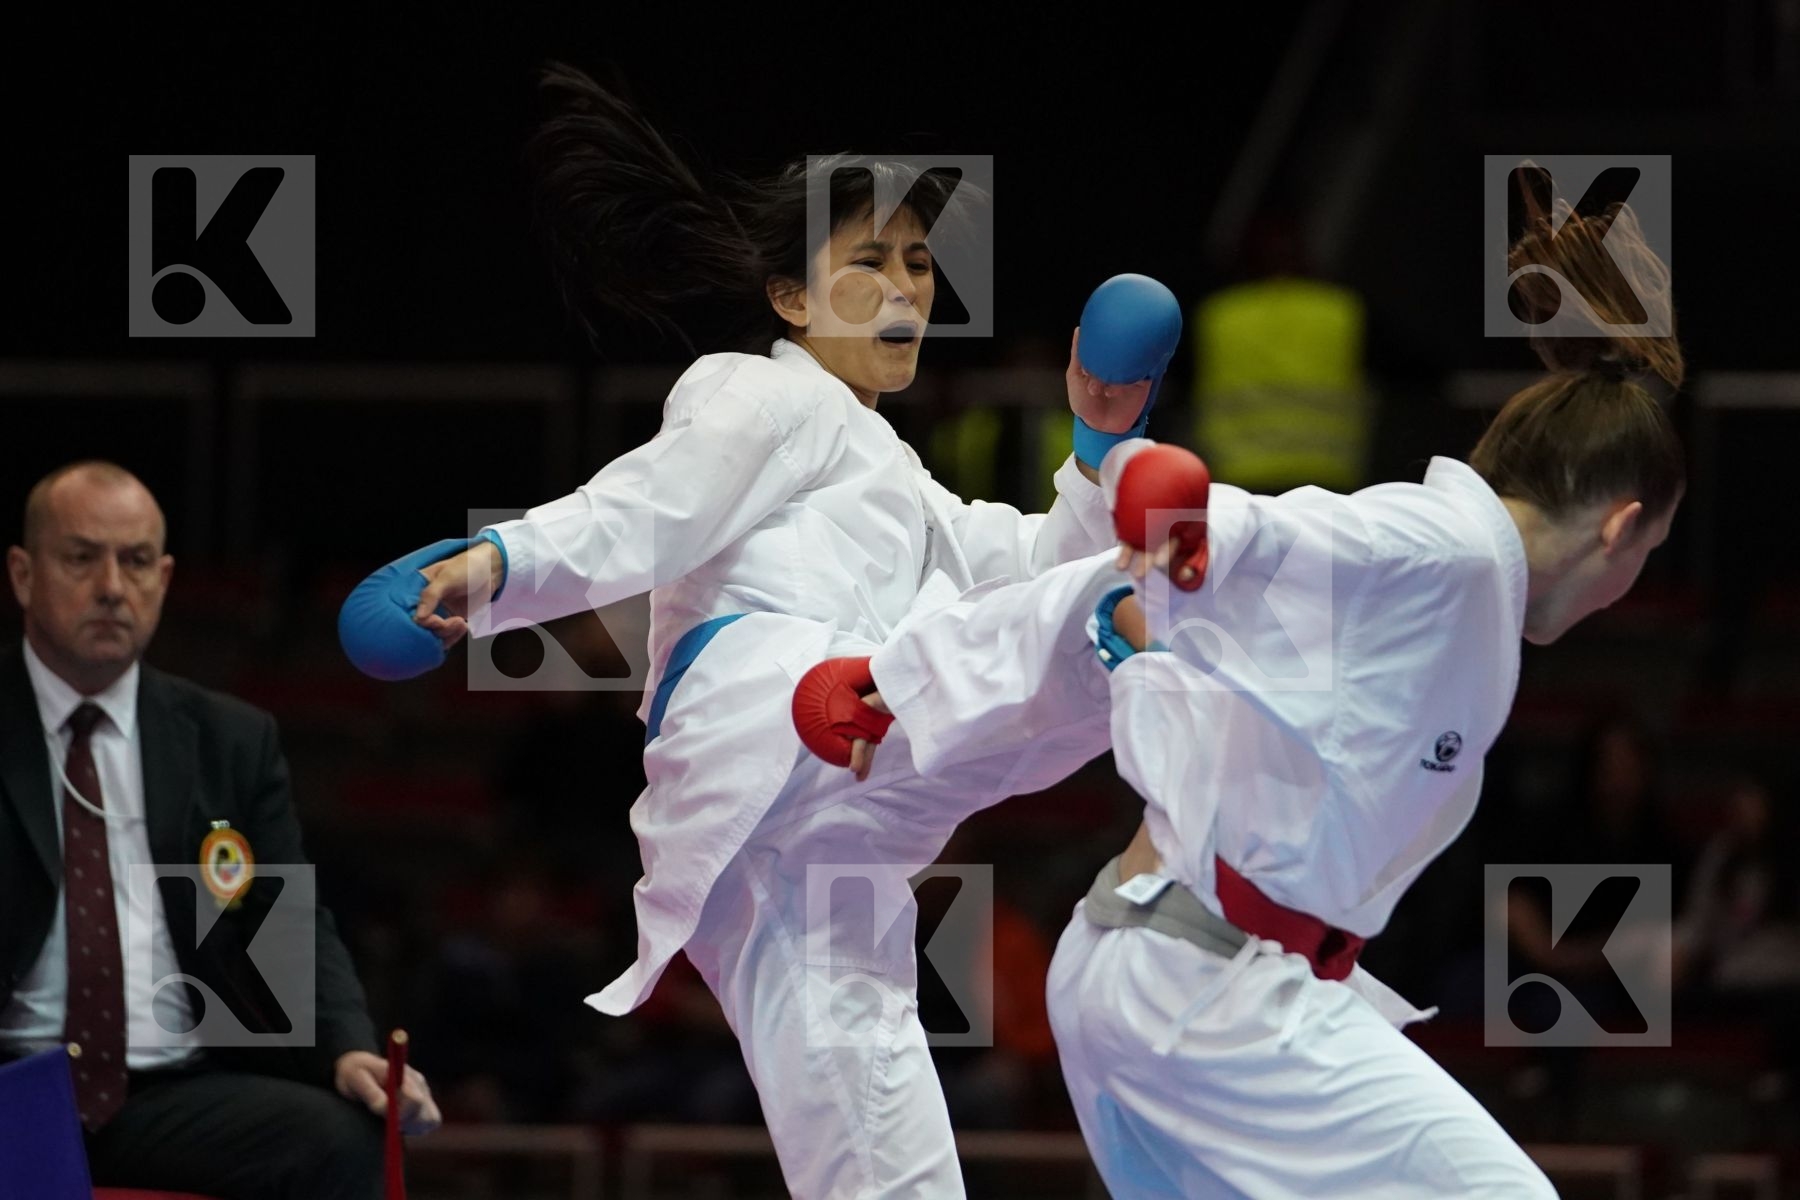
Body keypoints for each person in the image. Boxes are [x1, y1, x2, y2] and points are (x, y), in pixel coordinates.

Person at [359, 63, 1158, 1198]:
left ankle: (1119, 640)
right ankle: (1138, 637)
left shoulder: (900, 475)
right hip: (773, 726)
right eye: (869, 262)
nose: (905, 288)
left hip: (838, 837)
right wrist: (498, 566)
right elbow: (649, 507)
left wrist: (1094, 451)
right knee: (1067, 623)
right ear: (790, 300)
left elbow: (1025, 560)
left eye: (919, 263)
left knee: (887, 1170)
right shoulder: (758, 390)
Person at [809, 185, 1683, 1195]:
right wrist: (906, 675)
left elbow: (1162, 599)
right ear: (1620, 527)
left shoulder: (1465, 600)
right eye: (1648, 555)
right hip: (1203, 990)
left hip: (1169, 974)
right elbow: (1252, 528)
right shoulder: (1446, 547)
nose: (1630, 589)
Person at [1, 462, 440, 1199]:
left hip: (168, 1091)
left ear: (164, 578)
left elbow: (285, 926)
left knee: (341, 1139)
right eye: (81, 558)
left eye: (136, 561)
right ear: (22, 574)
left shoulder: (227, 740)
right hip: (13, 1080)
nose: (111, 586)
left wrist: (346, 1050)